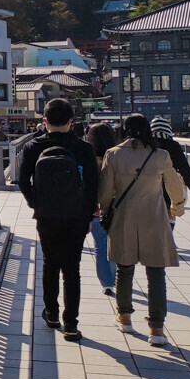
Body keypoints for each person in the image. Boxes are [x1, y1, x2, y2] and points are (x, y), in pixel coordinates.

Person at [99, 114, 186, 346]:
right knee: (156, 273)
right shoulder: (160, 155)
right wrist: (177, 207)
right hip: (154, 219)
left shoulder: (113, 154)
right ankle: (156, 328)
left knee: (124, 269)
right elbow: (175, 186)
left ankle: (124, 317)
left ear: (124, 130)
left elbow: (105, 191)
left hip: (124, 218)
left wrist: (104, 210)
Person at [19, 98, 99, 342]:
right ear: (71, 122)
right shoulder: (83, 148)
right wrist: (88, 214)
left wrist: (36, 204)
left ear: (45, 121)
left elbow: (23, 182)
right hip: (76, 215)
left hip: (47, 215)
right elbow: (92, 186)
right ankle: (71, 324)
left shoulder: (33, 146)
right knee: (72, 269)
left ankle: (52, 313)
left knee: (50, 263)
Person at [85, 123, 118, 295]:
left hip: (95, 209)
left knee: (101, 245)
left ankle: (107, 283)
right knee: (116, 244)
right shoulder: (117, 156)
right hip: (117, 208)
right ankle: (115, 276)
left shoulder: (87, 158)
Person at [151, 117, 190, 231]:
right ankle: (169, 234)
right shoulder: (173, 145)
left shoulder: (148, 145)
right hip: (171, 183)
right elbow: (183, 166)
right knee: (170, 210)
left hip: (151, 184)